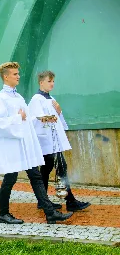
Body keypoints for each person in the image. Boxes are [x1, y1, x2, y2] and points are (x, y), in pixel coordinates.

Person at [0, 62, 73, 224]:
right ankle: (3, 214)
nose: (18, 76)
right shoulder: (1, 98)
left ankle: (50, 213)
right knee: (10, 178)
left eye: (18, 74)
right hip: (12, 146)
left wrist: (35, 120)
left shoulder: (17, 96)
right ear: (6, 77)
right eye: (15, 74)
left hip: (24, 145)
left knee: (35, 175)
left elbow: (27, 119)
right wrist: (17, 118)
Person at [28, 70, 91, 212]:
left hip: (54, 142)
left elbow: (57, 120)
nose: (52, 84)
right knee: (59, 168)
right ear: (41, 82)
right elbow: (34, 118)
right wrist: (45, 117)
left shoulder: (51, 99)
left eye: (53, 81)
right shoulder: (36, 99)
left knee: (48, 169)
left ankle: (43, 201)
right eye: (49, 81)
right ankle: (70, 201)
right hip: (46, 142)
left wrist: (59, 111)